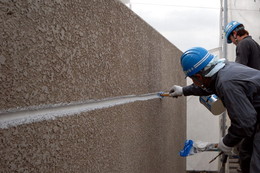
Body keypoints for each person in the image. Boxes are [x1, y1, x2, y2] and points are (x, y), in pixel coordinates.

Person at [169, 47, 260, 173]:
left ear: (198, 76)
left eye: (192, 79)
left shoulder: (226, 83)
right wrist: (184, 90)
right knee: (246, 153)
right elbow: (209, 86)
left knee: (257, 164)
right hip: (255, 116)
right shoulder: (224, 69)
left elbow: (245, 123)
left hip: (254, 120)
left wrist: (227, 142)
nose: (194, 82)